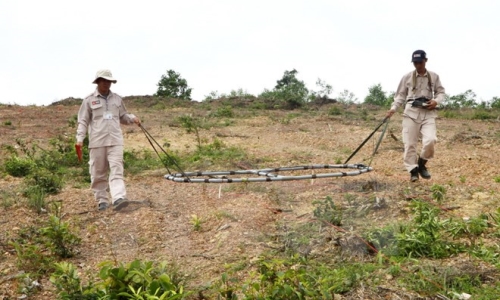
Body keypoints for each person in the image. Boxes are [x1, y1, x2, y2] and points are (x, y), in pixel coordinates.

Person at [76, 69, 141, 211]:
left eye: (109, 81)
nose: (107, 84)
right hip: (97, 142)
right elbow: (83, 121)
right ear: (98, 81)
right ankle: (102, 200)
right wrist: (80, 138)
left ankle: (118, 198)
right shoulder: (89, 100)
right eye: (104, 81)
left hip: (115, 140)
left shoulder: (117, 99)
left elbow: (123, 116)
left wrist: (132, 118)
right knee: (98, 172)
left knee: (117, 169)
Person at [386, 50, 445, 182]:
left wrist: (436, 101)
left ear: (426, 61)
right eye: (415, 62)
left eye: (420, 62)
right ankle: (413, 171)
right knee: (410, 144)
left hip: (428, 113)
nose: (418, 65)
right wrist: (393, 109)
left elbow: (441, 92)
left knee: (431, 140)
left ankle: (422, 164)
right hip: (411, 113)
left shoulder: (434, 76)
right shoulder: (406, 77)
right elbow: (400, 95)